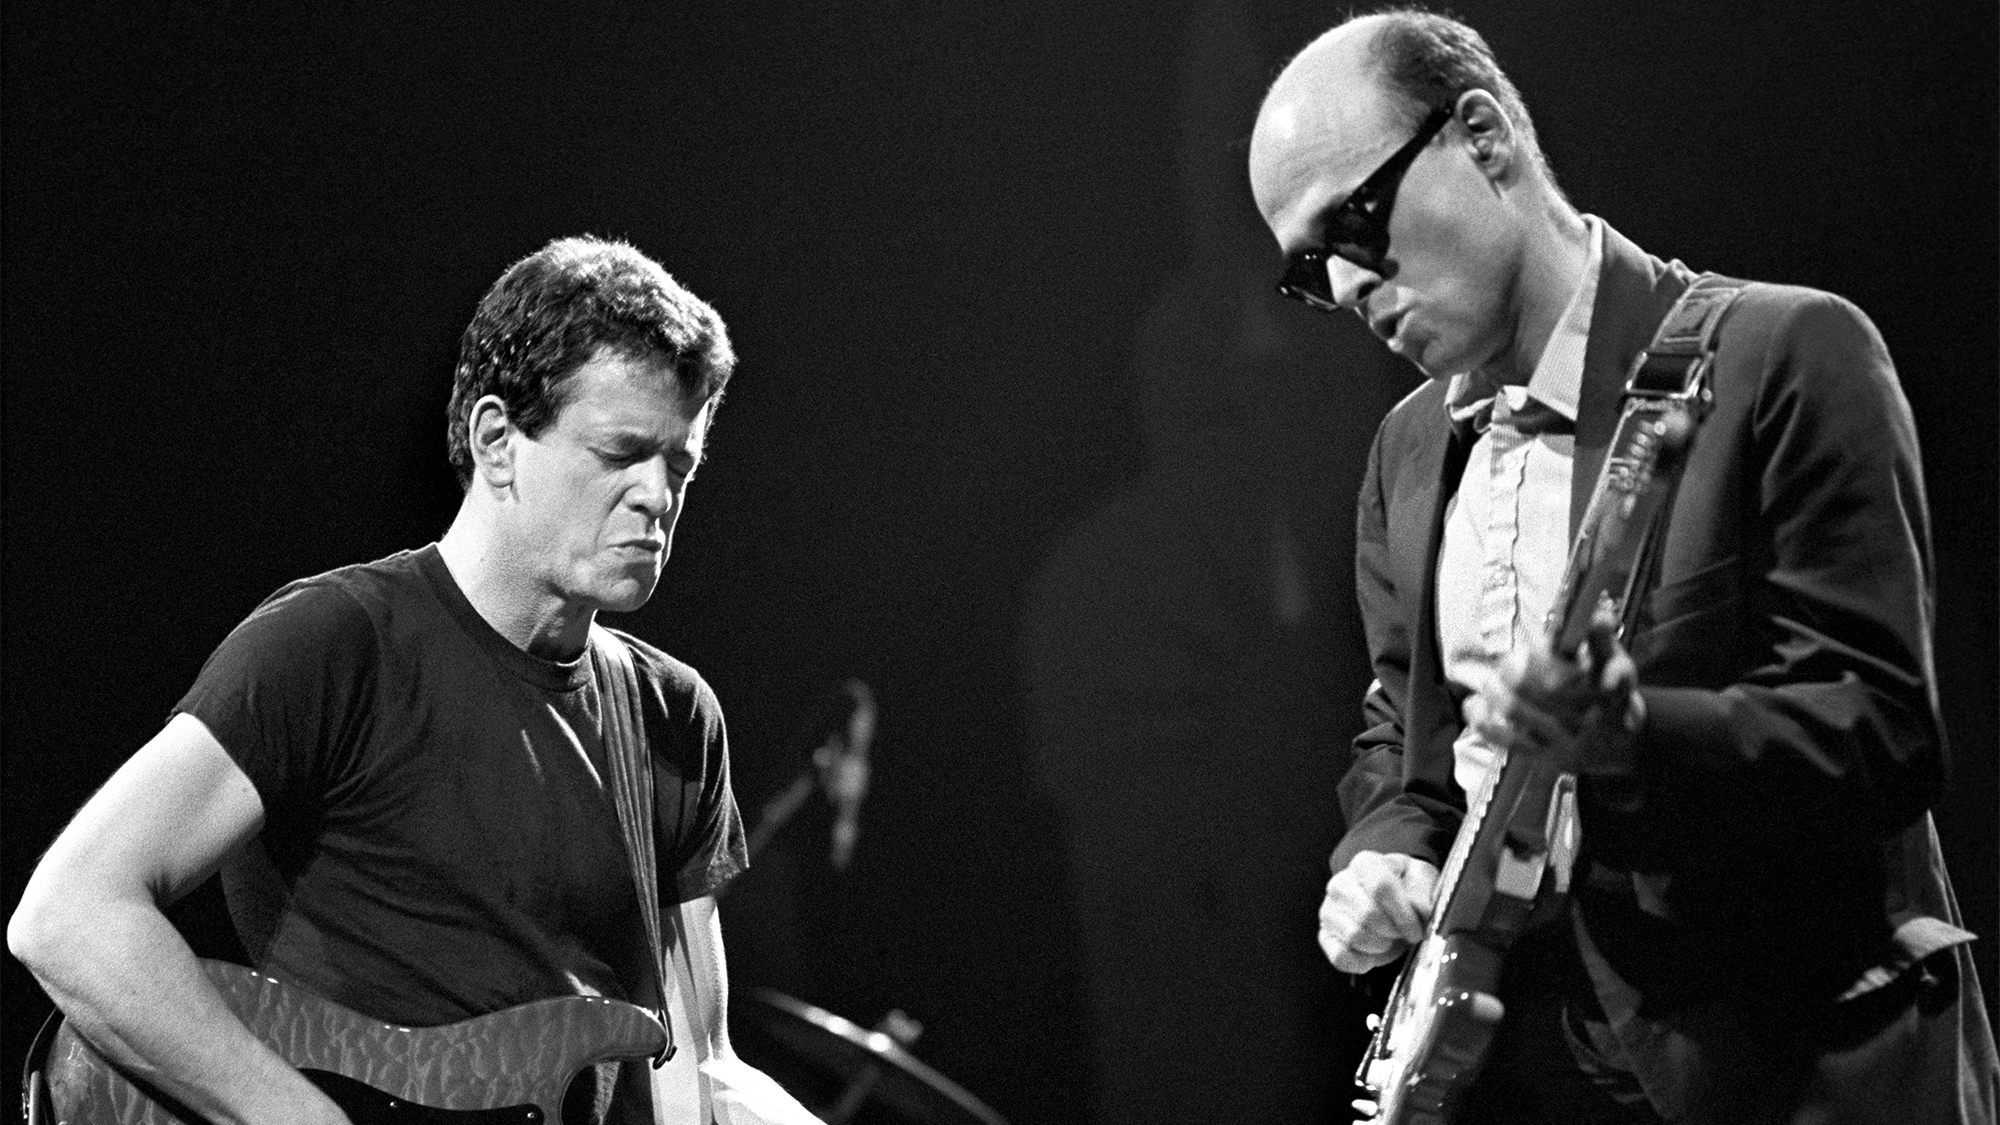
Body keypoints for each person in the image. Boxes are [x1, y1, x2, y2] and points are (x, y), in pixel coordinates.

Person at [1247, 9, 1998, 1124]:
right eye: (1311, 271)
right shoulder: (1406, 450)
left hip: (1803, 1067)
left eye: (1354, 223)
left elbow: (1880, 733)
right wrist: (1384, 857)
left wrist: (1627, 739)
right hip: (1547, 1071)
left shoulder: (1782, 354)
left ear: (1482, 136)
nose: (1348, 289)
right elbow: (1401, 740)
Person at [8, 236, 822, 1125]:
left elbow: (694, 1068)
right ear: (497, 440)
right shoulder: (335, 643)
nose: (657, 495)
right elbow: (72, 917)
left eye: (680, 464)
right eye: (621, 452)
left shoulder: (671, 718)